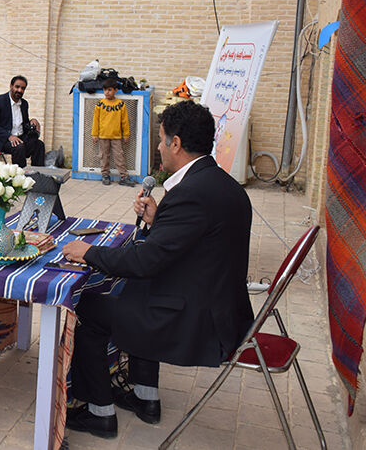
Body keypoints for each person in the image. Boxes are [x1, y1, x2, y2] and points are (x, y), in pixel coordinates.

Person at [61, 100, 254, 439]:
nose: (160, 147)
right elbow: (191, 243)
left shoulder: (192, 193)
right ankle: (145, 398)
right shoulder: (221, 184)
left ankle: (99, 413)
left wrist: (88, 251)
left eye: (162, 139)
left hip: (198, 321)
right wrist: (157, 219)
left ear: (176, 144)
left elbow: (144, 262)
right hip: (219, 305)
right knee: (133, 292)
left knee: (89, 306)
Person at [0, 75, 46, 168]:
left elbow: (24, 124)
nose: (20, 90)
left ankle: (38, 176)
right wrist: (9, 136)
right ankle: (20, 178)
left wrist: (32, 121)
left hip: (20, 137)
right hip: (1, 140)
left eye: (23, 88)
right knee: (19, 147)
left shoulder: (24, 104)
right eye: (17, 87)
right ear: (11, 86)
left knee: (39, 145)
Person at [92, 78, 132, 186]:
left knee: (119, 155)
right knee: (104, 155)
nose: (107, 92)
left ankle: (123, 176)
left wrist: (126, 134)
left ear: (115, 90)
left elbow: (125, 121)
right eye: (105, 90)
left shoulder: (120, 104)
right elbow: (95, 120)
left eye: (109, 90)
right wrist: (95, 134)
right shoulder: (100, 105)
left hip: (117, 136)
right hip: (103, 135)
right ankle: (105, 175)